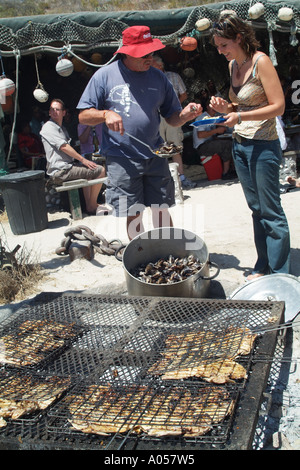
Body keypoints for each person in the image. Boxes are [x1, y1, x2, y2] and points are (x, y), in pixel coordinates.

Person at [76, 25, 202, 240]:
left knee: (161, 208)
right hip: (121, 158)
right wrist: (105, 114)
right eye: (144, 54)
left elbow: (172, 118)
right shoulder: (104, 76)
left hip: (155, 154)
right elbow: (83, 116)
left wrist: (186, 115)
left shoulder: (159, 78)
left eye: (152, 52)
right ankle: (141, 255)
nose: (150, 58)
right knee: (132, 212)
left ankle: (166, 252)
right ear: (127, 52)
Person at [210, 13, 290, 281]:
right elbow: (244, 103)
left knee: (271, 212)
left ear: (239, 38)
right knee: (256, 210)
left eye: (224, 45)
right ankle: (263, 265)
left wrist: (240, 116)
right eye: (218, 46)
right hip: (240, 144)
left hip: (263, 145)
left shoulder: (261, 62)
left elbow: (278, 106)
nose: (221, 51)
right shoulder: (233, 65)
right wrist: (228, 108)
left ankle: (280, 274)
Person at [40, 98, 106, 215]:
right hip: (61, 171)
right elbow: (63, 146)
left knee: (89, 171)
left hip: (67, 167)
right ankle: (92, 205)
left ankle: (89, 205)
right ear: (49, 112)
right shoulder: (48, 126)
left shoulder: (62, 128)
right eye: (52, 109)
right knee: (100, 170)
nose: (55, 111)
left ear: (64, 112)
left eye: (58, 109)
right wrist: (83, 160)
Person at [152, 54, 196, 189]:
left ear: (160, 66)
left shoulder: (173, 77)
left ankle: (181, 178)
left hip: (173, 115)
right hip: (156, 117)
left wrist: (172, 106)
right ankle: (162, 182)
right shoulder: (147, 79)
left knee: (175, 147)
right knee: (158, 149)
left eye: (152, 65)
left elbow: (184, 94)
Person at [192, 100, 234, 179]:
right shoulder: (202, 118)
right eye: (212, 106)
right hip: (202, 146)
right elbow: (200, 134)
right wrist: (217, 131)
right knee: (227, 145)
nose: (214, 109)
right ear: (207, 107)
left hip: (208, 143)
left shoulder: (214, 117)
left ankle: (231, 168)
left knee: (229, 142)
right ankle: (226, 172)